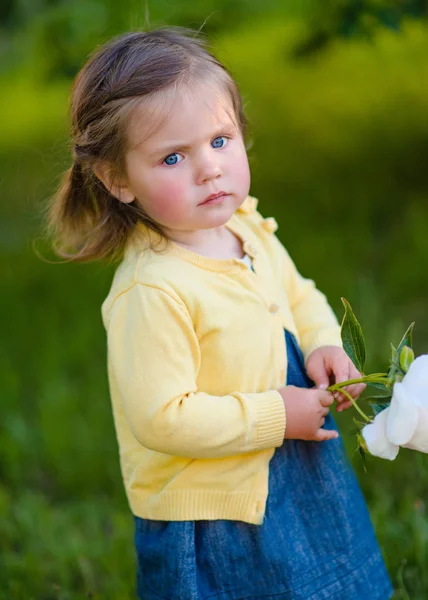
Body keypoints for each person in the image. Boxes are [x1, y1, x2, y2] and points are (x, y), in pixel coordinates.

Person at [46, 27, 393, 600]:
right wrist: (277, 416)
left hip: (293, 458)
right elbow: (161, 418)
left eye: (220, 141)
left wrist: (323, 344)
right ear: (117, 179)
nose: (208, 169)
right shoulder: (153, 290)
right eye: (174, 157)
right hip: (213, 508)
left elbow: (298, 292)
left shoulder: (243, 225)